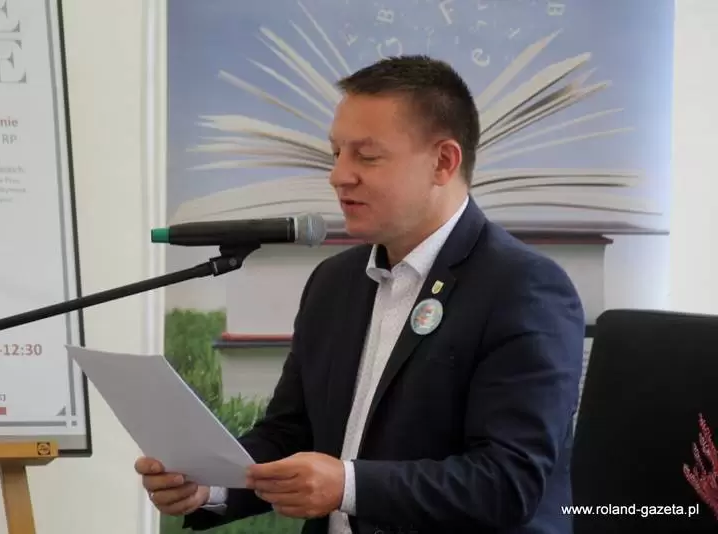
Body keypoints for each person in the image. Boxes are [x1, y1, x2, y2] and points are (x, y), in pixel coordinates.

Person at [136, 55, 585, 534]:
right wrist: (211, 486)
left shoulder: (524, 288)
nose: (339, 175)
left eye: (366, 157)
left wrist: (348, 487)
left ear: (443, 162)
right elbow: (291, 433)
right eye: (336, 154)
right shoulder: (335, 282)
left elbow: (508, 483)